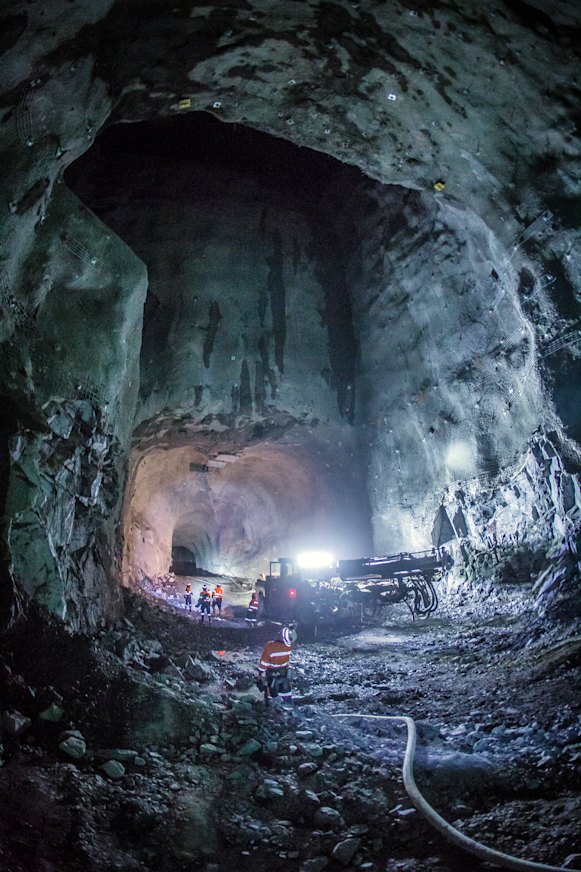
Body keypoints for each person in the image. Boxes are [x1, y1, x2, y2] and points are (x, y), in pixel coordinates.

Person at [256, 625, 297, 705]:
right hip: (284, 674)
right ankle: (289, 708)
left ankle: (273, 710)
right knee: (286, 693)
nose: (278, 633)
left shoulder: (270, 646)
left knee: (272, 694)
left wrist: (260, 673)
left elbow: (264, 663)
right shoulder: (289, 646)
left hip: (272, 676)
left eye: (280, 633)